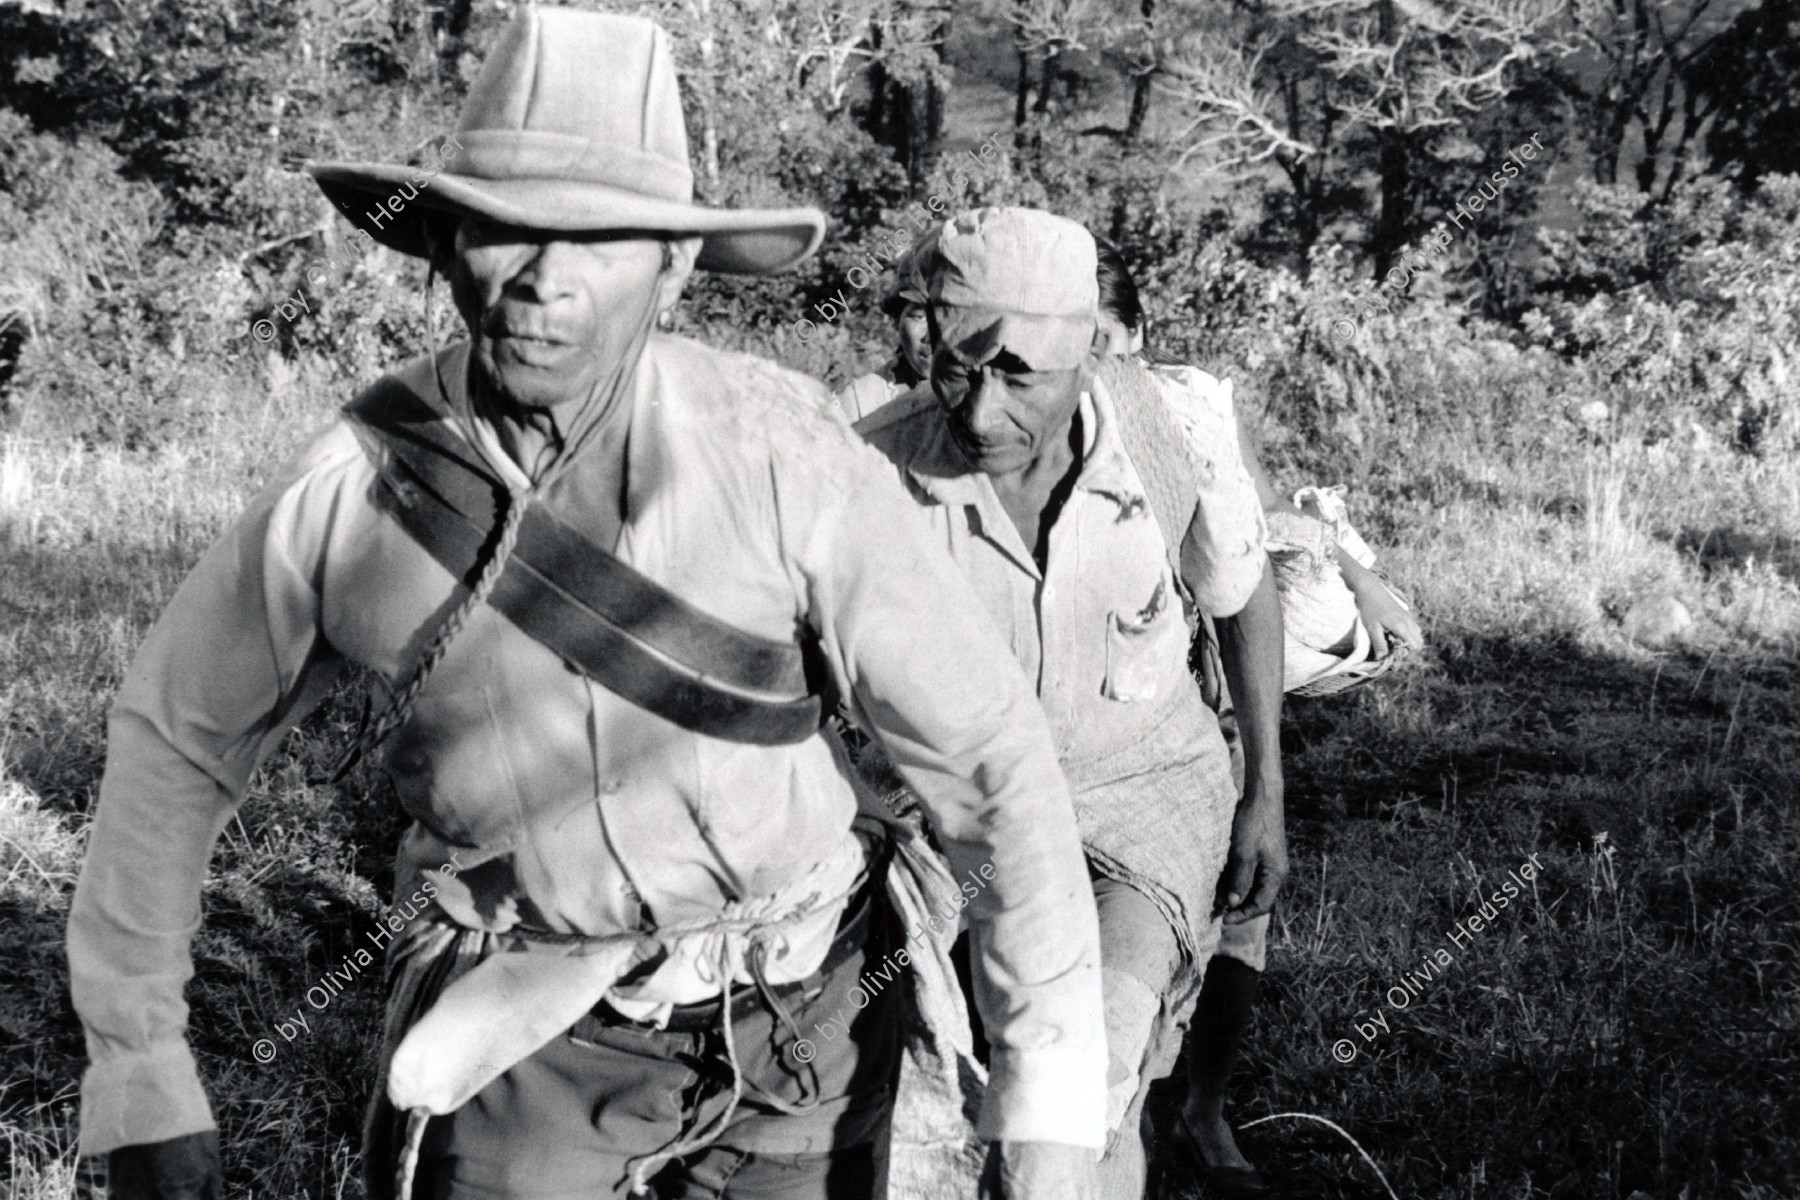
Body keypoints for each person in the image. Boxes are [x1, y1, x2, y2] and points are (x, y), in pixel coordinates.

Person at [66, 13, 1110, 1200]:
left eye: (599, 238)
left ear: (671, 267)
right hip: (525, 1040)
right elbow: (171, 738)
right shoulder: (363, 488)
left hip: (804, 1014)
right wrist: (140, 1066)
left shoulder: (783, 456)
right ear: (444, 242)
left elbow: (989, 764)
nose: (544, 282)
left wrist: (1049, 1110)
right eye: (504, 230)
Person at [856, 208, 1290, 1200]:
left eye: (1018, 378)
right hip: (953, 820)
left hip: (1143, 802)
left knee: (1080, 1068)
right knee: (941, 1099)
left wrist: (1266, 788)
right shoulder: (869, 464)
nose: (978, 412)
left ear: (1090, 350)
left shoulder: (1169, 434)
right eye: (960, 370)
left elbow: (1240, 593)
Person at [1092, 237, 1422, 1196]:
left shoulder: (1183, 410)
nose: (1091, 369)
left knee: (1236, 911)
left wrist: (1260, 779)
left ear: (1138, 335)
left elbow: (1246, 560)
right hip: (1086, 720)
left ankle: (1199, 1106)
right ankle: (1117, 1120)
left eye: (1108, 341)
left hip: (1198, 698)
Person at [835, 234, 935, 422]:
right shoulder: (860, 404)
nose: (932, 336)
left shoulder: (992, 398)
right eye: (919, 317)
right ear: (898, 319)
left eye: (948, 317)